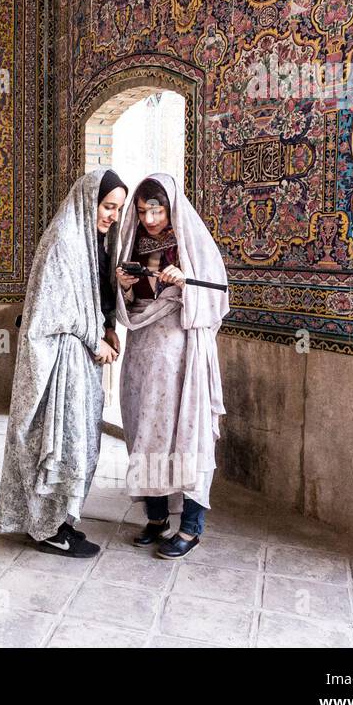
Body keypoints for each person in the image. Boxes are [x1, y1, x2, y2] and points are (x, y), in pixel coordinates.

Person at [0, 168, 129, 557]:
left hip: (83, 362)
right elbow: (49, 311)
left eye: (118, 209)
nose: (112, 216)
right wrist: (93, 339)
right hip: (62, 360)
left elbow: (93, 299)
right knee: (61, 445)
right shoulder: (64, 241)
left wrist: (107, 327)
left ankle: (60, 521)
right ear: (89, 201)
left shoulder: (96, 243)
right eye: (107, 207)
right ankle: (46, 528)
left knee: (82, 446)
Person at [114, 173, 229, 559]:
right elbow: (125, 305)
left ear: (171, 207)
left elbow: (218, 299)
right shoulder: (134, 240)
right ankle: (157, 518)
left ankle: (191, 527)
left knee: (186, 435)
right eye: (143, 210)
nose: (149, 219)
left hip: (182, 356)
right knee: (148, 433)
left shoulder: (191, 241)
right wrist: (125, 285)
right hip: (143, 351)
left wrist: (186, 283)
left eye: (157, 210)